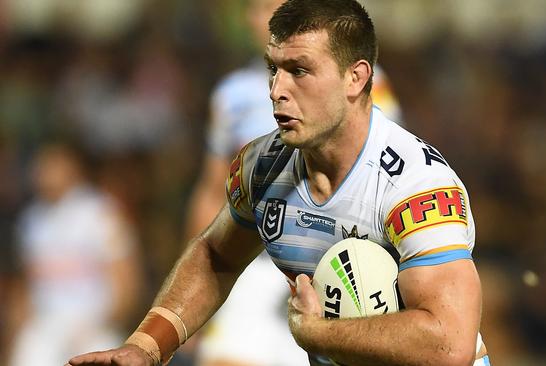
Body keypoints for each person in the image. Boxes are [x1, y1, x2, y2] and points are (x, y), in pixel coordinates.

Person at [67, 1, 489, 365]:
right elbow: (216, 255)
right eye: (274, 69)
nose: (276, 90)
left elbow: (448, 344)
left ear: (356, 78)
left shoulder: (418, 188)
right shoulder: (262, 167)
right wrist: (146, 347)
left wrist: (317, 333)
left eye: (299, 70)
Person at [188, 1, 402, 365]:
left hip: (333, 261)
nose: (267, 20)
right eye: (258, 10)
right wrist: (199, 286)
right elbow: (212, 189)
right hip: (256, 262)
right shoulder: (232, 95)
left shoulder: (363, 78)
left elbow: (386, 166)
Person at [9, 140, 142, 366]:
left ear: (72, 166)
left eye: (52, 164)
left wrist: (104, 324)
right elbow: (24, 287)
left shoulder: (101, 212)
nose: (44, 172)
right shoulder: (31, 220)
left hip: (94, 325)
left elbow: (126, 281)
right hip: (46, 327)